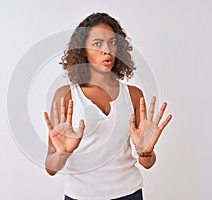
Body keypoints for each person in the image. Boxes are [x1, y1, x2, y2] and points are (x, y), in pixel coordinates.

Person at [43, 12, 172, 200]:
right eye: (97, 43)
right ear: (82, 50)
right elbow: (51, 167)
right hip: (80, 195)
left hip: (129, 193)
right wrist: (63, 152)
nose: (107, 50)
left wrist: (146, 152)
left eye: (112, 42)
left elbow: (147, 162)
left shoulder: (134, 95)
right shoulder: (65, 96)